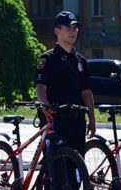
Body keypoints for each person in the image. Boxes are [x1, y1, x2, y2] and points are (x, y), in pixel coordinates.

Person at [35, 10, 96, 154]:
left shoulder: (81, 60)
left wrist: (92, 119)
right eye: (68, 28)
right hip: (55, 119)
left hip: (77, 120)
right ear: (57, 31)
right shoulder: (47, 58)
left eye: (75, 28)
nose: (73, 31)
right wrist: (46, 104)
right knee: (55, 168)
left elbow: (86, 92)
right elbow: (40, 87)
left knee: (76, 167)